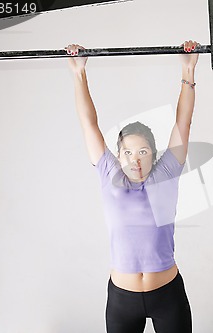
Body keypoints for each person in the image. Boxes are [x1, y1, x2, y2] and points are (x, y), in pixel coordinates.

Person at [65, 40, 200, 333]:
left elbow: (183, 122)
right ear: (118, 155)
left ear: (154, 154)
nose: (135, 160)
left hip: (167, 293)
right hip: (122, 298)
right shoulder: (109, 173)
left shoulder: (165, 173)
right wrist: (79, 73)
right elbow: (89, 124)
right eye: (127, 153)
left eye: (143, 152)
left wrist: (187, 70)